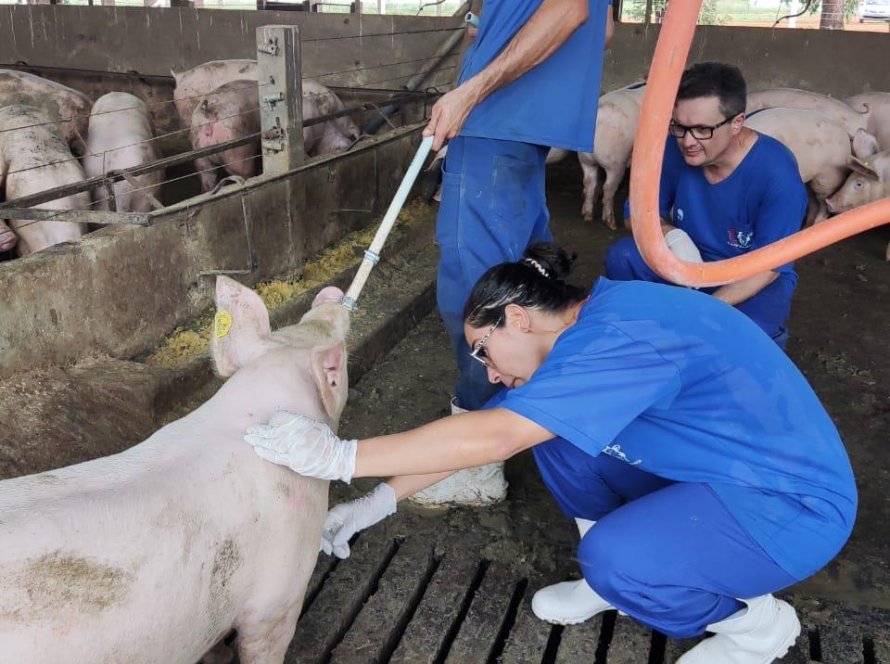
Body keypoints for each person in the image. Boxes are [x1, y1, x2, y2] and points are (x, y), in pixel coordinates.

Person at [244, 243, 857, 664]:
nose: (485, 372)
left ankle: (756, 627)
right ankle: (617, 577)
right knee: (557, 441)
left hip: (789, 506)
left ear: (518, 317)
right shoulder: (591, 326)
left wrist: (340, 457)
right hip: (714, 471)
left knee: (614, 557)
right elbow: (491, 426)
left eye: (484, 350)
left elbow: (496, 437)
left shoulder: (617, 339)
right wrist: (379, 499)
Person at [417, 0, 613, 506]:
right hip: (523, 128)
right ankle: (531, 416)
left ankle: (478, 462)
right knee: (529, 281)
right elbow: (603, 29)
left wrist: (472, 90)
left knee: (475, 297)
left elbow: (569, 10)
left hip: (495, 119)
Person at [605, 62, 807, 350]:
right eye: (679, 127)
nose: (688, 141)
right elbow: (635, 215)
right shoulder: (673, 149)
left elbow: (771, 265)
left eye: (702, 129)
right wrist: (673, 236)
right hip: (687, 262)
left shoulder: (777, 174)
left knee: (740, 343)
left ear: (737, 123)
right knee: (624, 256)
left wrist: (707, 307)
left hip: (751, 278)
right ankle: (644, 337)